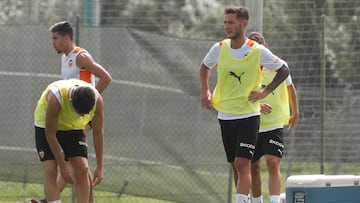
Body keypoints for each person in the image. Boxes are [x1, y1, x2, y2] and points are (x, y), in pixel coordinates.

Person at [199, 6, 290, 203]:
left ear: (244, 23)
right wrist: (204, 90)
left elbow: (284, 70)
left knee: (243, 164)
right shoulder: (219, 48)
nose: (227, 27)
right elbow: (204, 66)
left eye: (231, 22)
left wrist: (265, 92)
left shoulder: (257, 51)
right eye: (225, 22)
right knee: (234, 165)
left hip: (249, 116)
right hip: (225, 115)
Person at [32, 21, 112, 203]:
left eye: (56, 38)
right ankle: (52, 199)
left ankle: (49, 200)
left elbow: (106, 77)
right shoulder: (65, 58)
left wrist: (90, 102)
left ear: (67, 37)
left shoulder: (80, 56)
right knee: (72, 164)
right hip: (67, 110)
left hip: (82, 113)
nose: (53, 42)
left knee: (77, 164)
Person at [247, 32, 299, 203]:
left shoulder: (280, 66)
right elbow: (240, 96)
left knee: (272, 162)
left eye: (258, 47)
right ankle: (257, 201)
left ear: (265, 48)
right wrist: (257, 106)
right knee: (254, 168)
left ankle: (275, 201)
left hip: (274, 125)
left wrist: (295, 112)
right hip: (252, 124)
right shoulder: (246, 69)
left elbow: (291, 88)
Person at [34, 79, 104, 203]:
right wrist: (63, 166)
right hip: (46, 126)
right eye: (79, 112)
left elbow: (98, 133)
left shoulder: (97, 101)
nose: (82, 116)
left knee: (83, 168)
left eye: (85, 114)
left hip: (73, 127)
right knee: (51, 169)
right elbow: (50, 134)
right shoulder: (56, 98)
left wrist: (99, 167)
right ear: (71, 102)